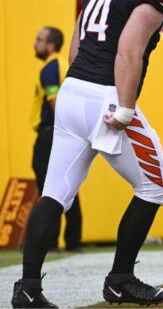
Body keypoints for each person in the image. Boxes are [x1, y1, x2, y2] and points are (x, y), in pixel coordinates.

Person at [11, 0, 163, 308]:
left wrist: (84, 93)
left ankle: (27, 288)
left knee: (54, 194)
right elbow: (128, 52)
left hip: (73, 92)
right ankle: (121, 278)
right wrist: (123, 106)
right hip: (106, 96)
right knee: (154, 188)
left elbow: (74, 48)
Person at [30, 27, 82, 253]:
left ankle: (50, 242)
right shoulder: (63, 64)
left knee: (49, 188)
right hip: (64, 132)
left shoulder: (50, 68)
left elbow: (54, 102)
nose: (35, 44)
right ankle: (73, 240)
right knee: (68, 186)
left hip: (51, 133)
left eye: (39, 40)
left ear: (51, 45)